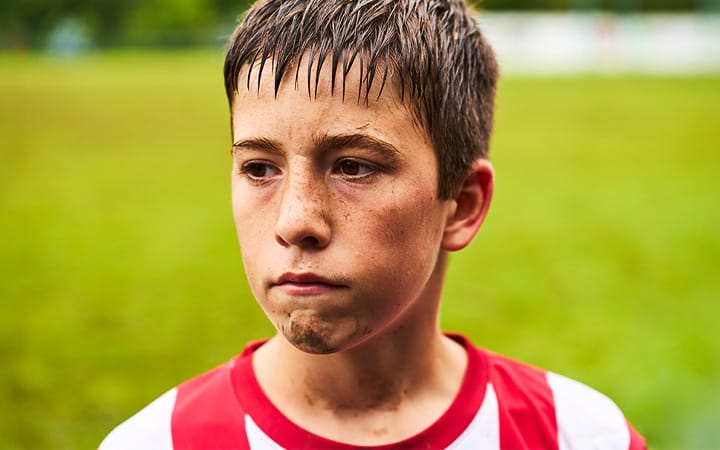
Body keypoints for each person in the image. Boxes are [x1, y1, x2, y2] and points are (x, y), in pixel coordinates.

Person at [100, 1, 646, 449]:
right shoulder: (158, 442)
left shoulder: (578, 435)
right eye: (260, 168)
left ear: (461, 202)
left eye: (354, 167)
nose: (295, 223)